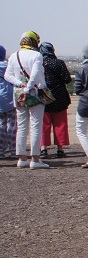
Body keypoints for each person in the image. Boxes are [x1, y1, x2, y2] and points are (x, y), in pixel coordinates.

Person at [4, 31, 48, 169]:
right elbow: (35, 74)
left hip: (18, 94)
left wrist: (20, 84)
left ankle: (22, 158)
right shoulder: (36, 55)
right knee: (35, 126)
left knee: (21, 126)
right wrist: (28, 88)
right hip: (34, 93)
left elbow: (7, 75)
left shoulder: (14, 55)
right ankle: (35, 159)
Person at [39, 42, 73, 159]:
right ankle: (60, 149)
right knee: (60, 124)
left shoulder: (40, 63)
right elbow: (67, 79)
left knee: (44, 124)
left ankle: (43, 149)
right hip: (60, 97)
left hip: (44, 97)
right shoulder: (59, 63)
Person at [0, 45, 14, 159]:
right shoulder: (7, 66)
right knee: (12, 125)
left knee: (1, 124)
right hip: (10, 98)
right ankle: (14, 148)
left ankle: (1, 149)